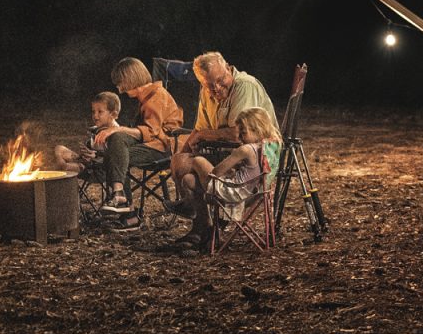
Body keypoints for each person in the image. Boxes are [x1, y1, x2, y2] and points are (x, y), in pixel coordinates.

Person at [167, 51, 276, 216]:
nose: (216, 88)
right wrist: (183, 155)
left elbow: (237, 134)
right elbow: (199, 128)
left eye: (220, 80)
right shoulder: (206, 92)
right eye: (210, 85)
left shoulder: (244, 85)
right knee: (179, 162)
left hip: (251, 162)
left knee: (194, 168)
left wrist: (202, 136)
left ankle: (201, 217)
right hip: (224, 154)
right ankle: (199, 219)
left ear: (228, 68)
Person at [97, 57, 184, 231]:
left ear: (130, 79)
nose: (119, 89)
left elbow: (151, 132)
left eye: (120, 83)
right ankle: (122, 201)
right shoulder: (146, 97)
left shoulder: (157, 96)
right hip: (151, 144)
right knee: (117, 145)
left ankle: (126, 209)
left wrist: (117, 130)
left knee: (117, 151)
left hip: (163, 147)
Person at [177, 107, 282, 248]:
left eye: (243, 133)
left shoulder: (245, 150)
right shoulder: (270, 146)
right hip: (254, 194)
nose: (239, 138)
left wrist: (223, 167)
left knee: (198, 161)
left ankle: (188, 206)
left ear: (257, 130)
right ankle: (207, 228)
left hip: (233, 195)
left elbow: (216, 172)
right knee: (188, 179)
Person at [52, 92, 119, 173]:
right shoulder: (95, 129)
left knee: (68, 167)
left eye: (100, 112)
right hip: (88, 164)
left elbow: (116, 160)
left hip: (101, 170)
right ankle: (64, 168)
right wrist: (84, 154)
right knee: (59, 149)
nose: (95, 116)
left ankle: (65, 170)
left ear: (113, 115)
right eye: (93, 112)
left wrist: (96, 157)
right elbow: (91, 149)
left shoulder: (117, 134)